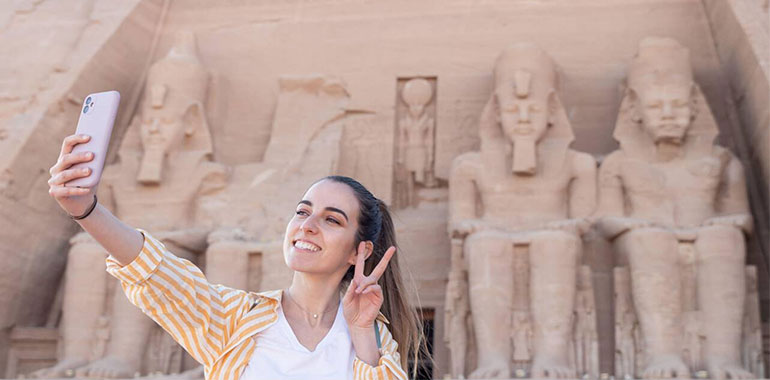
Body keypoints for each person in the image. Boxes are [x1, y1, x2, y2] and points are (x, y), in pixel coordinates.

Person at [48, 134, 424, 380]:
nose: (307, 226)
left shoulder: (373, 338)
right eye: (302, 211)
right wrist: (86, 210)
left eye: (331, 220)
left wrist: (361, 332)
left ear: (360, 251)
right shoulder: (236, 319)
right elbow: (156, 271)